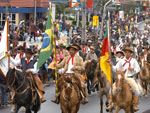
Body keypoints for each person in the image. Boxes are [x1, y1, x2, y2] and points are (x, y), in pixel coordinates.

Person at [106, 47, 141, 111]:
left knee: (137, 91)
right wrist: (111, 65)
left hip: (130, 78)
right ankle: (111, 103)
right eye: (126, 52)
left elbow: (138, 69)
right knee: (111, 90)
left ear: (130, 53)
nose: (127, 53)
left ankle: (134, 105)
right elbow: (116, 68)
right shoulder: (121, 61)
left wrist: (133, 69)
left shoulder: (134, 61)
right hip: (121, 78)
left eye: (128, 52)